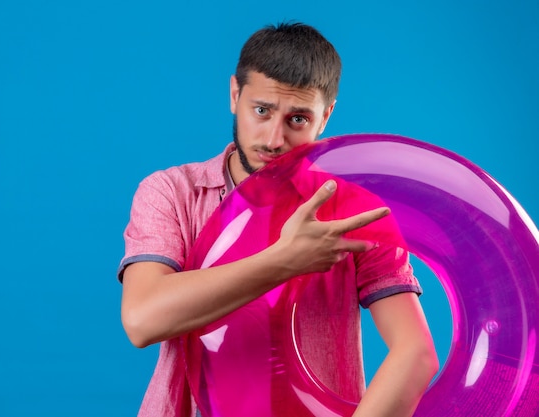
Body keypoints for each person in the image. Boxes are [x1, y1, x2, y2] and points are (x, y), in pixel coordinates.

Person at [118, 22, 439, 417]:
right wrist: (285, 261)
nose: (274, 139)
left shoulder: (355, 212)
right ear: (235, 94)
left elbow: (416, 353)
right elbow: (142, 320)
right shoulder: (172, 193)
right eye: (262, 111)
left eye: (298, 119)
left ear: (326, 117)